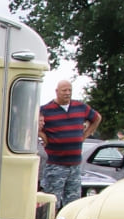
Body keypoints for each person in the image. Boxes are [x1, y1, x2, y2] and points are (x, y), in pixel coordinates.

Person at [37, 80, 100, 209]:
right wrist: (43, 136)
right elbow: (34, 126)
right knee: (51, 203)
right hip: (55, 165)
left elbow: (97, 118)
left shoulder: (80, 107)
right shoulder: (45, 110)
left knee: (73, 204)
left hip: (75, 166)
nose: (67, 93)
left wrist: (85, 135)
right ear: (57, 91)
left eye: (69, 90)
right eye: (64, 90)